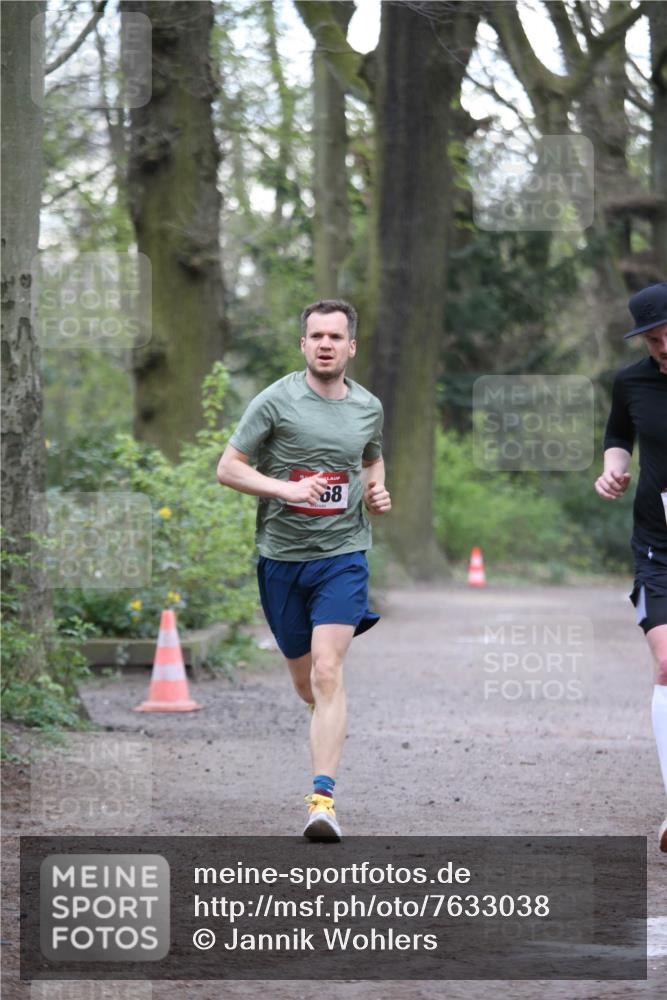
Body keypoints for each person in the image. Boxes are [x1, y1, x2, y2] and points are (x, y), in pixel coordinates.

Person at [216, 299, 391, 841]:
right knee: (307, 685)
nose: (325, 344)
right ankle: (328, 720)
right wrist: (284, 489)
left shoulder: (368, 407)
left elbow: (371, 459)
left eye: (335, 337)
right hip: (282, 560)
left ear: (351, 346)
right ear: (303, 344)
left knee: (327, 671)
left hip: (343, 556)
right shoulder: (275, 401)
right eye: (316, 336)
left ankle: (322, 802)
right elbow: (228, 468)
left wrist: (377, 491)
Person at [594, 281, 667, 851]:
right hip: (656, 543)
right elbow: (619, 433)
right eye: (653, 339)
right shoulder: (631, 381)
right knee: (666, 662)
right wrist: (612, 468)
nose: (663, 347)